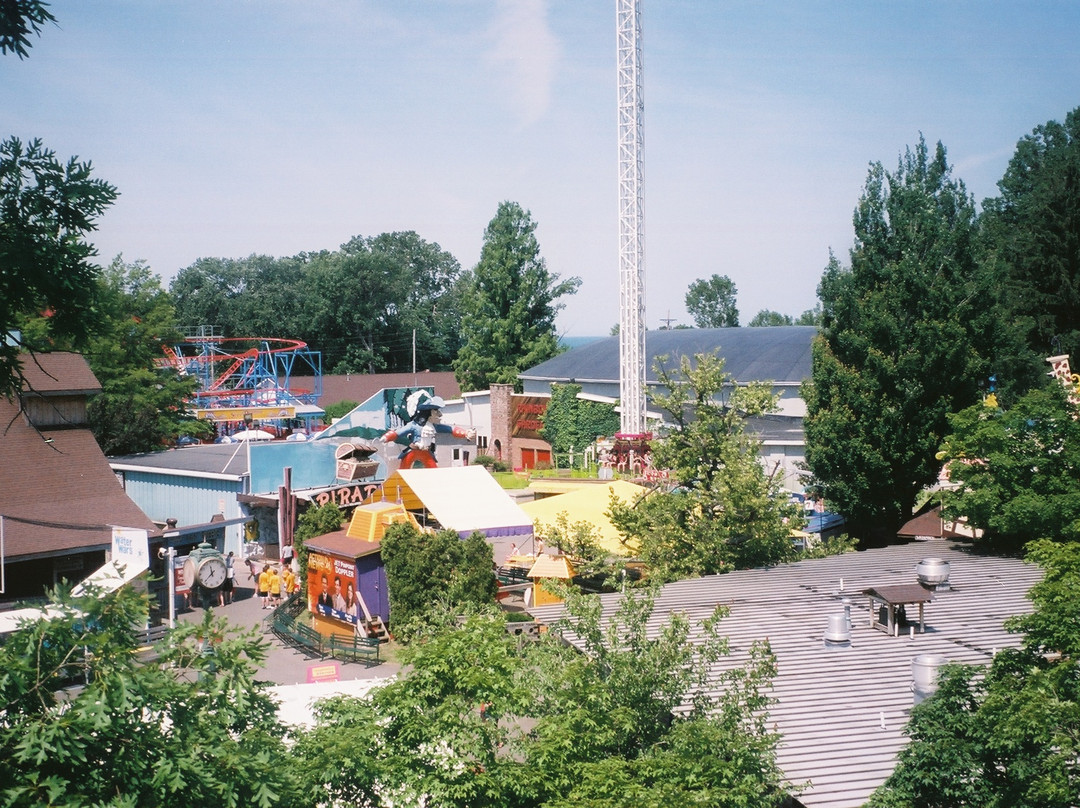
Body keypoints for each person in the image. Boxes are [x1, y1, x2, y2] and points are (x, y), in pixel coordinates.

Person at [381, 391, 475, 468]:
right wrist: (386, 437)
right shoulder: (413, 426)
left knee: (433, 468)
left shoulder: (434, 426)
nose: (440, 414)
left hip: (426, 452)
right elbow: (399, 433)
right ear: (428, 413)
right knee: (404, 468)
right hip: (413, 450)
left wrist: (465, 433)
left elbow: (450, 429)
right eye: (436, 411)